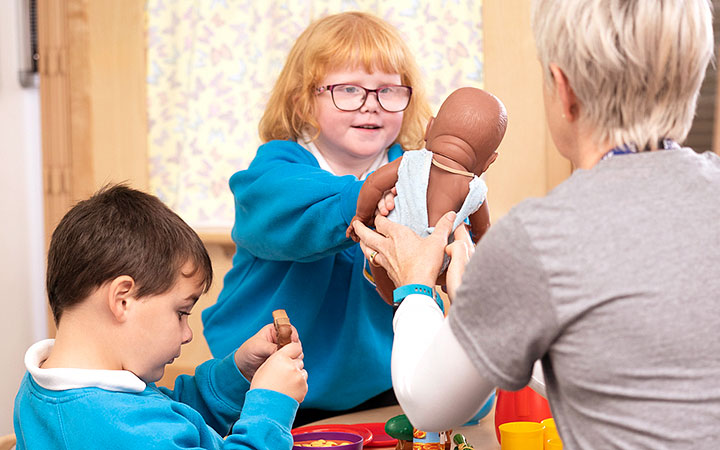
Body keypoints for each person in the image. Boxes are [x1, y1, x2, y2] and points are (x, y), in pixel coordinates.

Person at [352, 0, 720, 448]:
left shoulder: (541, 237)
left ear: (562, 90)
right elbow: (622, 374)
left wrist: (413, 285)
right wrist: (484, 307)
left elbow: (430, 406)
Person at [201, 11, 432, 425]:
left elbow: (447, 238)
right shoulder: (275, 167)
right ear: (303, 101)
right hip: (271, 380)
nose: (371, 105)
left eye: (389, 91)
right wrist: (365, 196)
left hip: (381, 384)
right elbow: (291, 205)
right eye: (348, 90)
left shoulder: (414, 171)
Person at [14, 185, 308, 449]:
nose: (187, 333)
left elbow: (171, 415)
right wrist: (270, 407)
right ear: (123, 299)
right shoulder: (123, 427)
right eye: (181, 313)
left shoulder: (44, 392)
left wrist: (238, 373)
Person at [346, 87, 507, 304]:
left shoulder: (409, 162)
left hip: (394, 245)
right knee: (454, 259)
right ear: (489, 162)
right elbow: (483, 231)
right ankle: (425, 295)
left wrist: (361, 218)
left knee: (379, 262)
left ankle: (393, 296)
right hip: (437, 259)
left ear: (429, 129)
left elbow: (373, 185)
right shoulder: (474, 189)